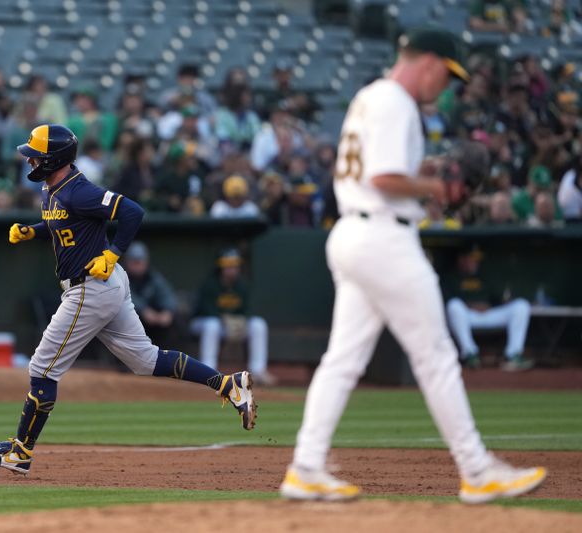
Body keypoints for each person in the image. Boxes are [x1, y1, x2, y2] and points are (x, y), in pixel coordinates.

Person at [280, 28, 545, 504]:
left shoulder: (370, 97)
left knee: (342, 362)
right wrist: (437, 188)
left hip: (354, 232)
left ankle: (306, 466)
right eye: (446, 74)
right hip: (383, 238)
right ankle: (478, 468)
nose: (446, 86)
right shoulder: (397, 103)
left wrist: (427, 175)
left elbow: (381, 172)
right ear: (427, 62)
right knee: (437, 357)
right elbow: (383, 178)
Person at [0, 124, 257, 475]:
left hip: (90, 288)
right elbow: (62, 221)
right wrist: (34, 229)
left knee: (41, 369)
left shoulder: (79, 191)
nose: (30, 162)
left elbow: (133, 212)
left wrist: (114, 252)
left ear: (53, 159)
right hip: (102, 288)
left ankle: (21, 452)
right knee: (145, 359)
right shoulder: (54, 189)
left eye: (35, 156)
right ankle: (227, 384)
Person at [191, 249, 274, 386]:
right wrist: (223, 318)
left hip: (232, 326)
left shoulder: (242, 285)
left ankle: (258, 370)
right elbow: (204, 310)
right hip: (203, 324)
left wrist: (241, 320)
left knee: (258, 324)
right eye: (228, 266)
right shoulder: (210, 284)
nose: (232, 270)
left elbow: (247, 310)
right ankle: (208, 370)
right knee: (212, 325)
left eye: (234, 266)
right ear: (221, 267)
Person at [445, 248, 534, 371]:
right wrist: (473, 305)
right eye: (471, 259)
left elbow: (497, 298)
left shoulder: (484, 276)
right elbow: (447, 300)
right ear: (461, 259)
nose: (474, 262)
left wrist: (503, 302)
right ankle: (470, 354)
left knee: (521, 305)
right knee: (454, 306)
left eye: (476, 260)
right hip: (467, 316)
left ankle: (513, 355)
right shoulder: (451, 277)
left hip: (488, 314)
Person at [122, 241, 178, 348]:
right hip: (131, 321)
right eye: (134, 262)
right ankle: (123, 362)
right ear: (127, 262)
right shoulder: (121, 276)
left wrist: (168, 311)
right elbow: (126, 296)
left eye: (140, 261)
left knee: (174, 321)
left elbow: (166, 294)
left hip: (152, 322)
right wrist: (144, 311)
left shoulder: (152, 276)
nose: (137, 265)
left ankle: (165, 357)